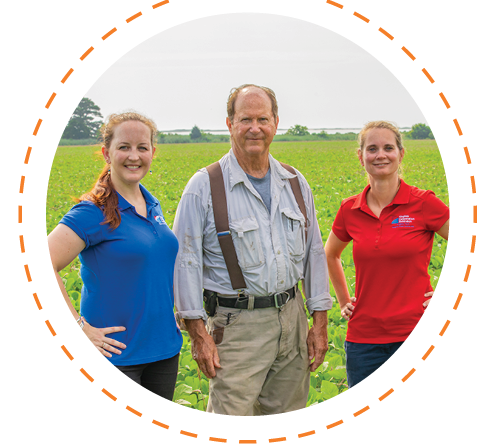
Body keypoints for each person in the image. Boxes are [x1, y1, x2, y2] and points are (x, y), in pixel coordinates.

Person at [173, 84, 332, 416]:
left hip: (292, 317)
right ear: (229, 123)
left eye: (263, 118)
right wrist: (197, 333)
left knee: (287, 416)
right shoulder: (203, 186)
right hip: (236, 325)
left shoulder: (294, 182)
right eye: (245, 119)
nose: (255, 128)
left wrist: (319, 322)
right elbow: (184, 263)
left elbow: (314, 253)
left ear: (275, 122)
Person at [47, 112, 181, 400]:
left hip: (165, 350)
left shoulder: (151, 205)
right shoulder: (92, 212)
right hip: (116, 358)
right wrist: (78, 328)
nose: (134, 156)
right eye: (124, 147)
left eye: (142, 147)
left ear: (152, 153)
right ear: (107, 153)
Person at [325, 121, 450, 387]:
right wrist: (343, 299)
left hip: (417, 334)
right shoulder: (350, 209)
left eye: (388, 148)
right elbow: (330, 254)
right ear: (361, 157)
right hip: (363, 340)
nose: (380, 155)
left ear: (400, 154)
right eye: (372, 149)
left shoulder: (423, 203)